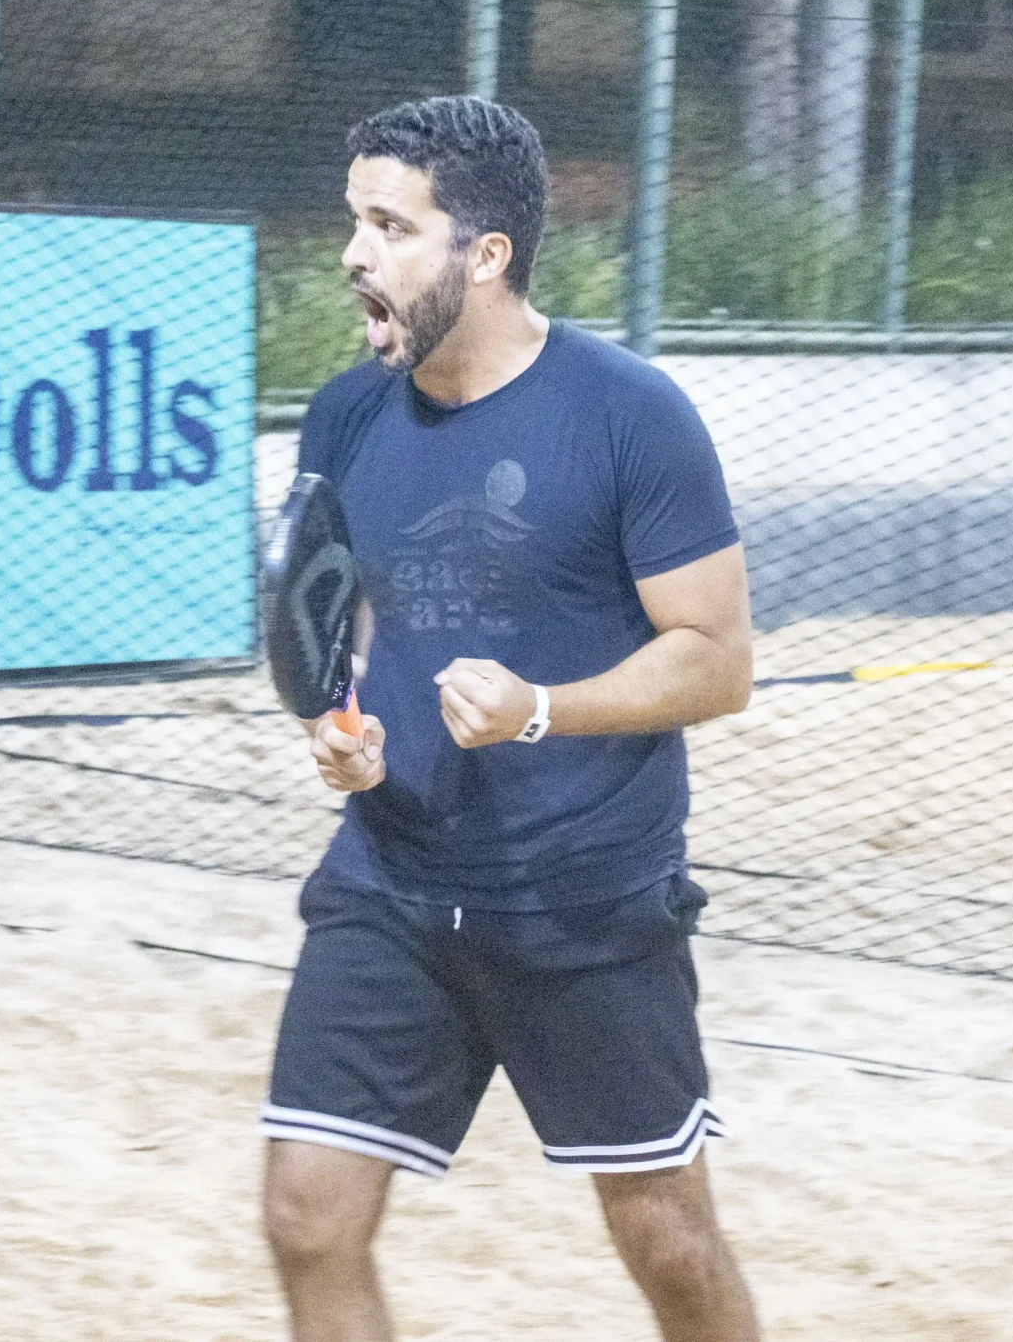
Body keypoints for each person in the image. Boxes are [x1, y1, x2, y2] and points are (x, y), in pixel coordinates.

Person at [260, 96, 762, 1342]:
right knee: (308, 1218)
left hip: (581, 896)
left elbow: (717, 662)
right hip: (392, 881)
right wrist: (342, 729)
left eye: (391, 227)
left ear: (484, 254)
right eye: (354, 221)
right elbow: (345, 628)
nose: (354, 254)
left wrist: (544, 709)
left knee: (669, 1244)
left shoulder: (628, 414)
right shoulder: (347, 414)